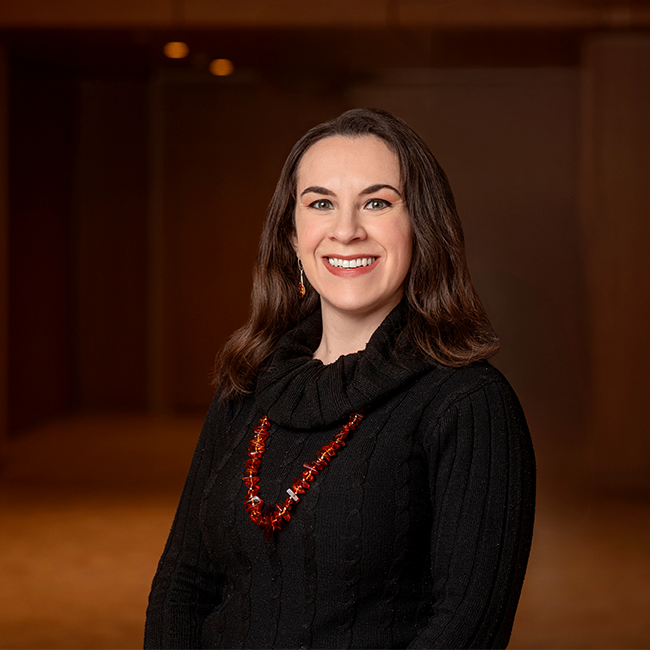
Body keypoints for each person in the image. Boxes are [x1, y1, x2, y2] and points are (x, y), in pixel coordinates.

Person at [144, 108, 535, 649]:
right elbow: (183, 583)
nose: (346, 231)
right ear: (292, 235)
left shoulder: (469, 403)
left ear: (422, 226)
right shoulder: (246, 383)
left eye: (377, 203)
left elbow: (465, 628)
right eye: (321, 203)